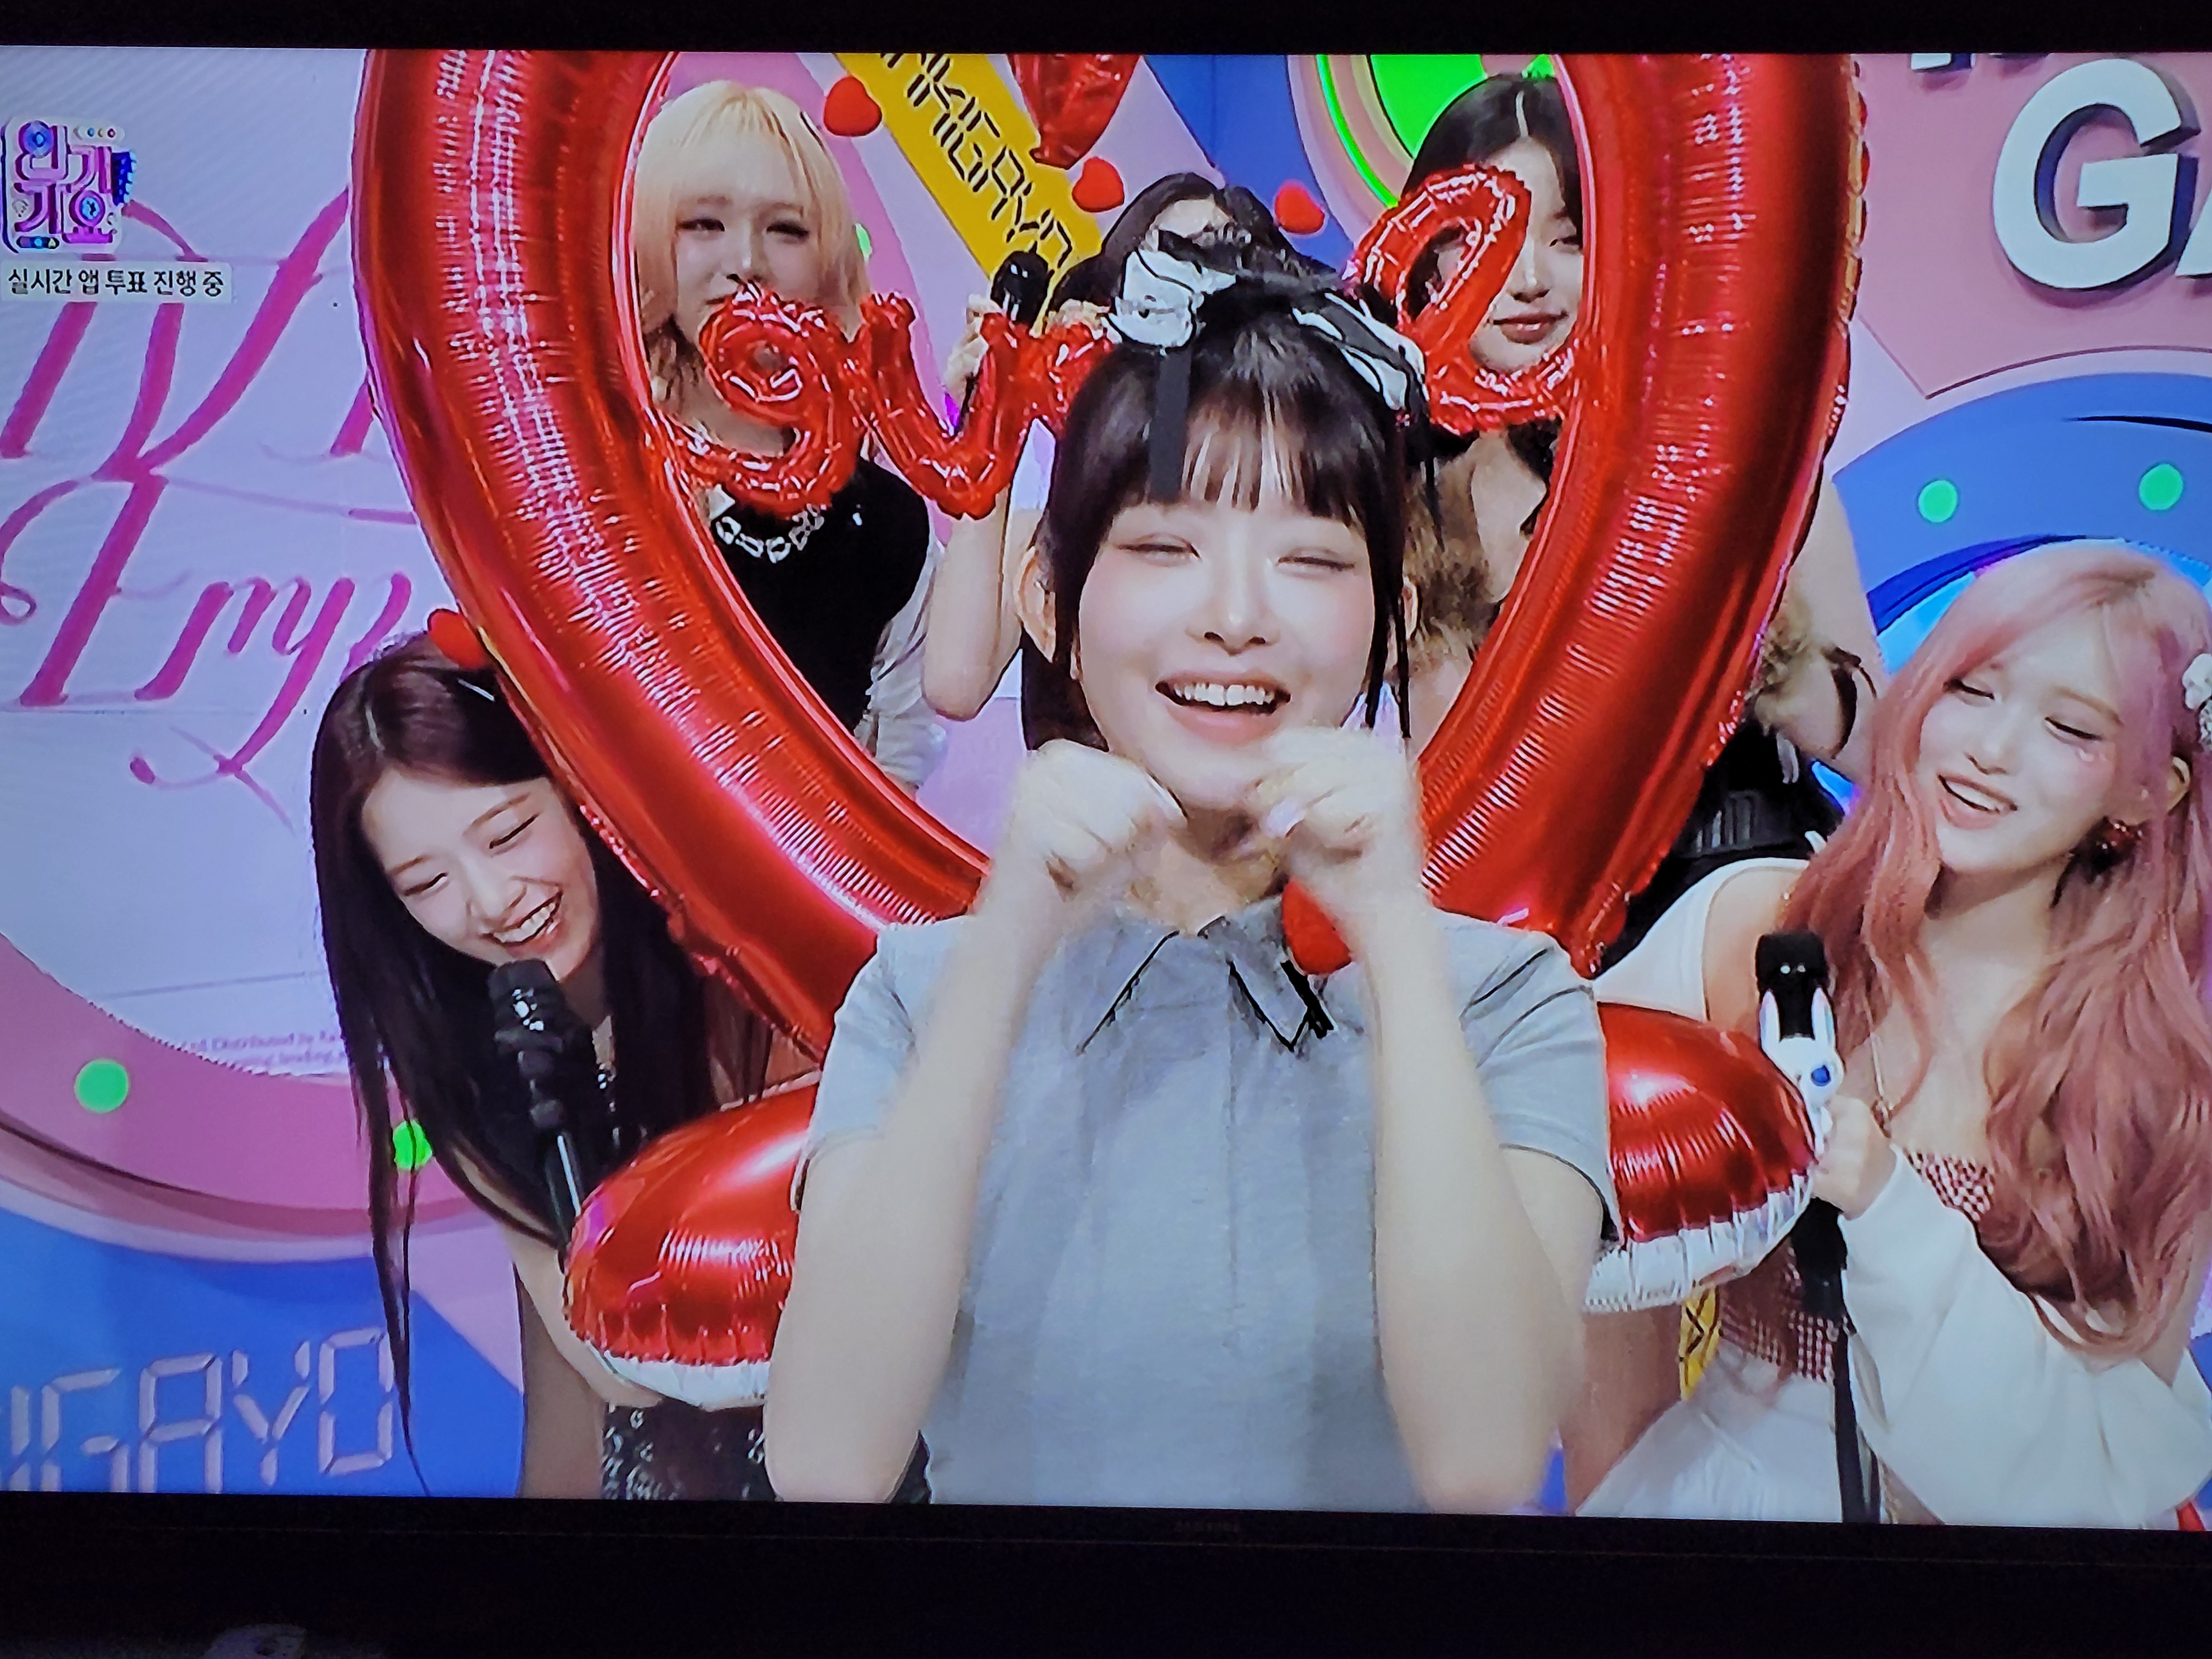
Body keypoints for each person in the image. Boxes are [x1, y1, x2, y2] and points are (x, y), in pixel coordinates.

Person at [764, 243, 1614, 1511]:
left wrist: (1394, 932)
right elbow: (827, 1460)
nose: (1236, 615)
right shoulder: (919, 991)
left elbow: (1485, 1459)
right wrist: (1005, 944)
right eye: (1166, 546)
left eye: (1310, 561)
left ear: (1386, 619)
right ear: (1049, 600)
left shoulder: (1507, 1000)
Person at [1582, 544, 2212, 1526]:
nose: (1988, 749)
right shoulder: (1759, 925)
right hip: (1724, 1514)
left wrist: (1884, 1202)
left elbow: (2084, 1463)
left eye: (2067, 727)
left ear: (2147, 791)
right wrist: (1611, 1495)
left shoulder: (2149, 1072)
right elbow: (1580, 1231)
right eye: (1970, 688)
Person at [312, 633, 802, 1500]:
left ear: (581, 784)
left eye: (508, 833)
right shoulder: (475, 1067)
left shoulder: (759, 976)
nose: (492, 902)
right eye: (426, 884)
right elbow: (597, 1378)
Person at [1395, 74, 1884, 940]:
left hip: (1733, 914)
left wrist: (1750, 639)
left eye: (1569, 239)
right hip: (1495, 946)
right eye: (1483, 238)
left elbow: (1880, 747)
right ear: (1424, 257)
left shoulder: (1751, 474)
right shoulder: (1395, 503)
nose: (1528, 280)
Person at [921, 174, 1323, 752]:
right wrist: (992, 417)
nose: (1191, 291)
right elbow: (954, 685)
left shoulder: (1304, 521)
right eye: (1164, 263)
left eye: (1217, 261)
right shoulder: (1053, 532)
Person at [633, 79, 943, 791]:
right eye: (703, 224)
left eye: (787, 230)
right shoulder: (596, 469)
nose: (746, 261)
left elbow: (901, 752)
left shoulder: (885, 522)